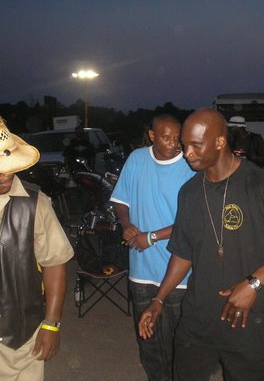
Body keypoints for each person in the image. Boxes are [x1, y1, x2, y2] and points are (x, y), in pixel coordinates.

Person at [136, 108, 264, 381]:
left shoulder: (262, 184)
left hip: (250, 319)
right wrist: (158, 300)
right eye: (185, 146)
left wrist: (252, 284)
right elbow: (183, 253)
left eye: (196, 145)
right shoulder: (190, 192)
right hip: (198, 320)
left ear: (220, 142)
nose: (187, 153)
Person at [0, 116, 74, 380]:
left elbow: (55, 264)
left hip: (18, 340)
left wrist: (51, 325)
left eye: (11, 164)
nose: (9, 172)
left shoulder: (32, 204)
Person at [110, 114, 195, 381]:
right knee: (149, 343)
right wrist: (126, 224)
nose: (174, 144)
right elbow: (120, 200)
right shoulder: (136, 159)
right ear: (152, 136)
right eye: (167, 138)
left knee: (180, 344)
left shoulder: (190, 166)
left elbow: (193, 219)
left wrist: (152, 237)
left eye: (177, 138)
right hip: (142, 272)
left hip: (180, 273)